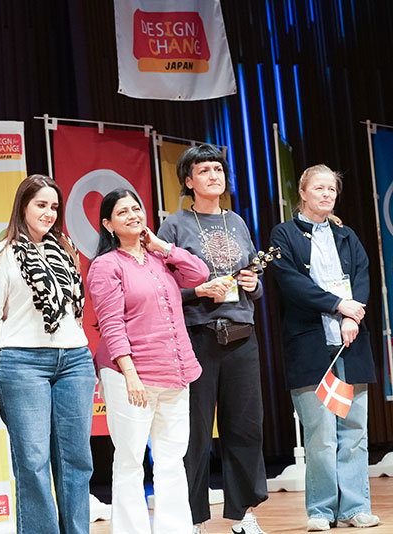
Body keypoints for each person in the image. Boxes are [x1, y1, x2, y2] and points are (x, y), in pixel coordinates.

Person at [157, 144, 268, 534]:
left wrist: (253, 284)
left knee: (245, 427)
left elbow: (253, 282)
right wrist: (198, 292)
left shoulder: (237, 221)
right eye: (203, 170)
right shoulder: (173, 226)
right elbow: (161, 288)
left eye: (218, 169)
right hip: (198, 337)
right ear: (188, 181)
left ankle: (242, 514)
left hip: (242, 335)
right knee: (194, 430)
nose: (213, 176)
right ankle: (193, 518)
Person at [0, 174, 95, 534]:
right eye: (40, 205)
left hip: (74, 360)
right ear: (23, 207)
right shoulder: (3, 253)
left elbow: (75, 310)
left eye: (54, 206)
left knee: (77, 460)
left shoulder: (66, 249)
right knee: (33, 462)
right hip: (21, 363)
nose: (48, 213)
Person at [88, 188, 208, 533]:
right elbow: (111, 324)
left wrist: (163, 246)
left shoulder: (159, 259)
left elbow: (199, 274)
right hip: (131, 375)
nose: (133, 215)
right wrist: (130, 374)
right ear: (108, 224)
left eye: (136, 208)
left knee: (172, 459)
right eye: (122, 212)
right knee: (129, 459)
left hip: (175, 371)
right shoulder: (106, 265)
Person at [270, 164, 379, 531]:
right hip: (311, 345)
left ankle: (355, 508)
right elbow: (291, 283)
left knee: (354, 430)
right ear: (302, 193)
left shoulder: (346, 235)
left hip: (350, 340)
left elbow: (362, 276)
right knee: (321, 434)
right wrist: (338, 305)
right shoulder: (284, 234)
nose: (327, 194)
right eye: (319, 188)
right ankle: (321, 510)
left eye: (332, 189)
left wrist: (353, 315)